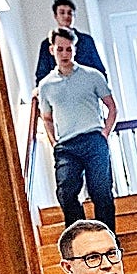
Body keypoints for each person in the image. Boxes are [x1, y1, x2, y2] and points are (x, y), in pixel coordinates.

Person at [38, 27, 118, 232]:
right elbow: (46, 118)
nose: (64, 54)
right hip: (66, 146)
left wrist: (105, 133)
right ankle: (80, 241)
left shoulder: (93, 76)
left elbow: (111, 107)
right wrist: (54, 142)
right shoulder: (45, 86)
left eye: (69, 49)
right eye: (60, 49)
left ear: (75, 50)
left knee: (101, 192)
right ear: (52, 50)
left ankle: (107, 238)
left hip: (93, 140)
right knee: (66, 193)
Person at [34, 0, 107, 87]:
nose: (66, 16)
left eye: (70, 13)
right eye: (62, 13)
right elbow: (42, 75)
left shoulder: (87, 41)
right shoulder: (47, 44)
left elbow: (99, 70)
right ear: (55, 16)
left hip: (86, 90)